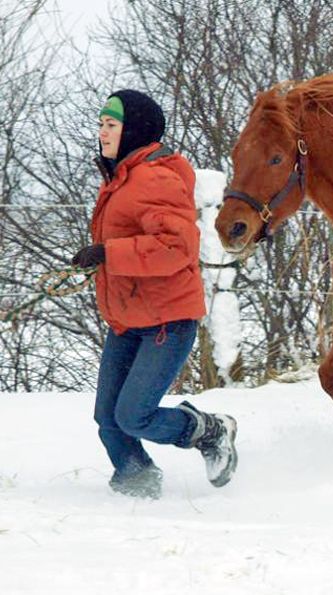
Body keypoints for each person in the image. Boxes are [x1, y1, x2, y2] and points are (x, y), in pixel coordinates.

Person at [71, 90, 238, 498]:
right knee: (108, 419)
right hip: (129, 320)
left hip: (167, 320)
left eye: (111, 125)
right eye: (101, 124)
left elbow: (175, 249)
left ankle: (210, 431)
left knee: (134, 415)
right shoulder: (121, 178)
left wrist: (109, 252)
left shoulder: (155, 178)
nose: (102, 132)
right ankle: (137, 483)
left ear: (134, 131)